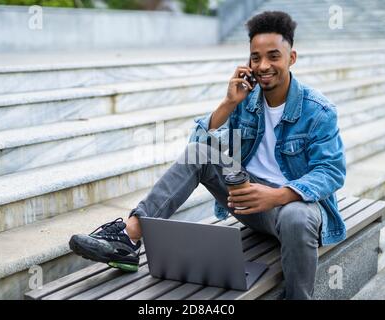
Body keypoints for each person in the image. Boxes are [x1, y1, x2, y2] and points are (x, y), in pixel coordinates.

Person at [69, 11, 346, 299]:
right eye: (255, 57)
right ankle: (129, 236)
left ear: (292, 58)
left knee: (296, 218)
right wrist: (227, 103)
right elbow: (196, 149)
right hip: (250, 204)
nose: (263, 65)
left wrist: (276, 195)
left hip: (294, 208)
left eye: (273, 56)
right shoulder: (246, 99)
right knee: (199, 153)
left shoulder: (318, 110)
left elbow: (331, 171)